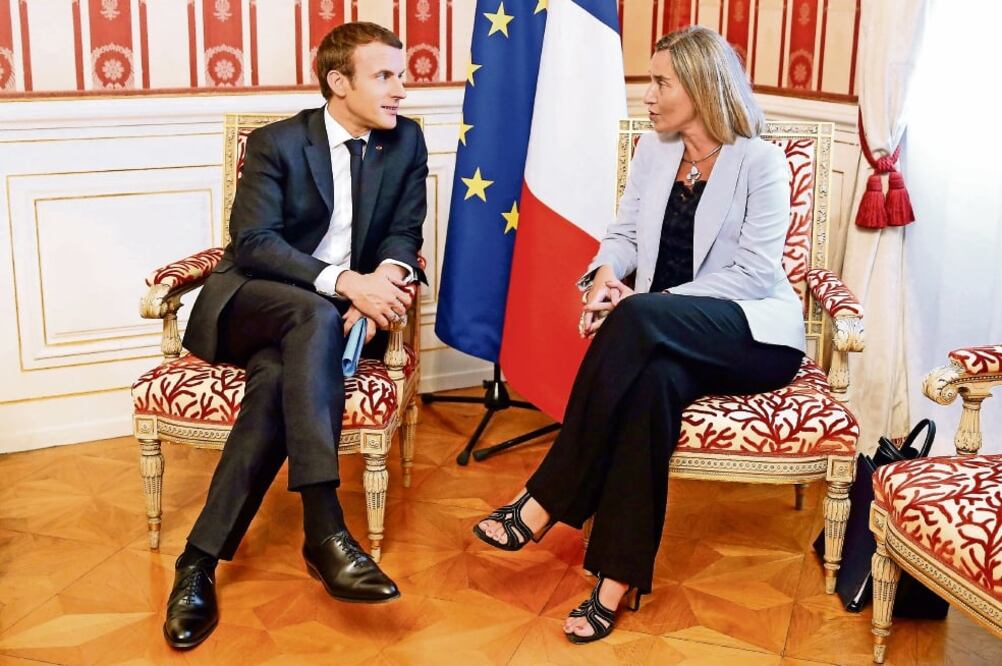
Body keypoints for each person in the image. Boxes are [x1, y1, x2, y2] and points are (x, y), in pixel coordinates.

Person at [473, 26, 805, 644]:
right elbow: (624, 233)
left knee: (636, 319)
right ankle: (615, 582)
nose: (647, 95)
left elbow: (756, 273)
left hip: (753, 336)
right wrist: (605, 278)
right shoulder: (655, 152)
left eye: (660, 82)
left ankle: (545, 498)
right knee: (651, 388)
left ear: (703, 87)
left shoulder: (760, 160)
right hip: (661, 338)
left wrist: (647, 304)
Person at [163, 22, 427, 649]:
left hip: (307, 330)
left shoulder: (405, 141)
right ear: (339, 83)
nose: (402, 90)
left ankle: (196, 563)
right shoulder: (279, 143)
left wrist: (387, 277)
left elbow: (404, 232)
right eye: (385, 76)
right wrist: (346, 284)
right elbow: (253, 245)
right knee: (316, 314)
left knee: (281, 380)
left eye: (401, 74)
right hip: (250, 304)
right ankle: (325, 527)